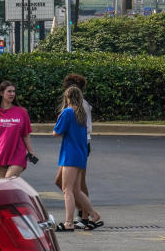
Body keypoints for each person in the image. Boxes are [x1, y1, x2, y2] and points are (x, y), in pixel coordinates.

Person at [53, 85, 103, 232]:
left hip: (70, 154)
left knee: (66, 189)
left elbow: (57, 132)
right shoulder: (81, 113)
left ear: (67, 97)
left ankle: (68, 222)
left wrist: (58, 120)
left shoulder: (67, 112)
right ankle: (93, 214)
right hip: (80, 153)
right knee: (76, 189)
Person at [0, 81, 36, 178]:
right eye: (9, 91)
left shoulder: (22, 112)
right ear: (1, 93)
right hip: (1, 155)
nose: (12, 94)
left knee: (8, 181)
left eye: (14, 91)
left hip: (18, 155)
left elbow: (25, 134)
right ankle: (22, 193)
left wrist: (30, 151)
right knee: (4, 189)